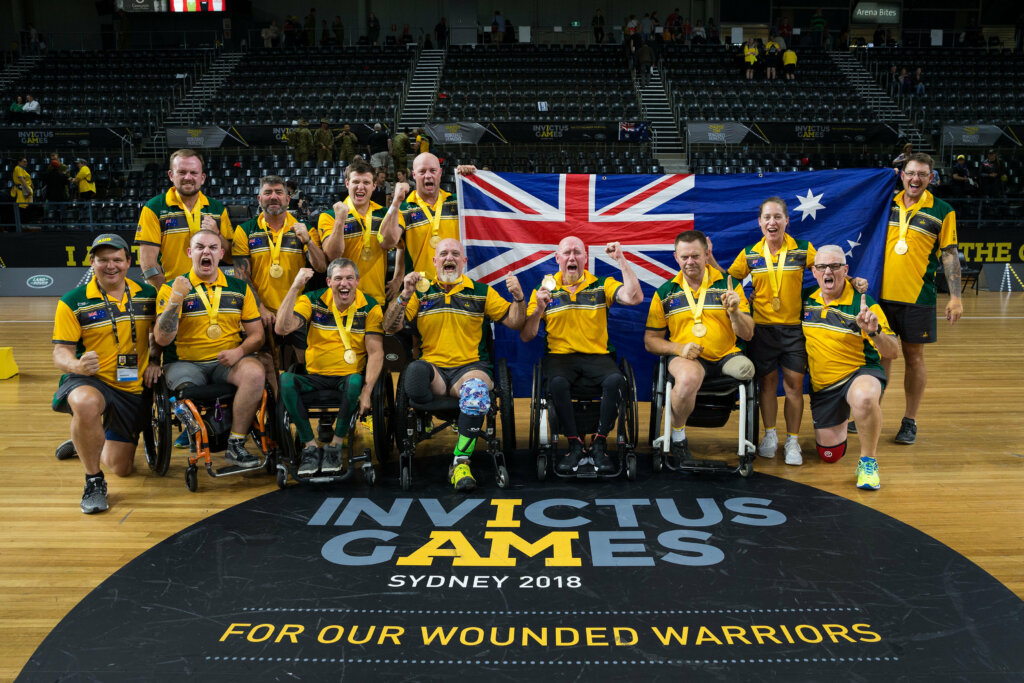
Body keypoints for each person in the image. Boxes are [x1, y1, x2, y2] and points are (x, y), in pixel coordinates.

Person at [383, 238, 525, 491]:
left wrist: (518, 298)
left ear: (464, 261)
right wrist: (405, 293)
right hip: (434, 372)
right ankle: (438, 418)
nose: (450, 258)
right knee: (413, 372)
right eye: (444, 254)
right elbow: (389, 327)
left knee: (476, 393)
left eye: (455, 254)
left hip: (469, 369)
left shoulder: (482, 292)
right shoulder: (420, 293)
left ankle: (460, 461)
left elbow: (515, 322)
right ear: (435, 261)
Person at [51, 234, 159, 513]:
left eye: (116, 260)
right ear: (92, 262)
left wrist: (156, 360)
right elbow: (60, 352)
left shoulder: (148, 295)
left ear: (128, 262)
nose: (110, 266)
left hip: (131, 387)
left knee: (122, 469)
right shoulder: (73, 301)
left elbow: (161, 335)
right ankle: (93, 480)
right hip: (91, 379)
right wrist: (77, 366)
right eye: (103, 260)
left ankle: (84, 439)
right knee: (85, 403)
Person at [520, 237, 643, 473]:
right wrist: (538, 309)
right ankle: (574, 444)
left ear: (585, 258)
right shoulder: (544, 291)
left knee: (617, 381)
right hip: (560, 358)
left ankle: (599, 443)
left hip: (597, 357)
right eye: (566, 253)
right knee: (555, 383)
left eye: (578, 253)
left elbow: (634, 297)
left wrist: (621, 259)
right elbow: (526, 335)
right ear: (558, 259)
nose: (572, 257)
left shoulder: (601, 285)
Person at [153, 228, 266, 468]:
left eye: (213, 248)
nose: (207, 252)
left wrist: (239, 352)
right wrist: (175, 300)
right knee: (188, 394)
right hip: (185, 363)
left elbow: (257, 336)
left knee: (255, 373)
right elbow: (162, 339)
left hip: (227, 362)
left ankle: (235, 444)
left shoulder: (239, 288)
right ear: (189, 252)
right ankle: (202, 434)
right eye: (200, 247)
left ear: (221, 253)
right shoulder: (171, 287)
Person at [644, 231, 755, 467]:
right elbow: (651, 341)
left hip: (726, 356)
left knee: (748, 370)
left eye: (695, 255)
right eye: (684, 257)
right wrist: (679, 348)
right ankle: (678, 436)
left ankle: (745, 447)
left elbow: (748, 334)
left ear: (706, 255)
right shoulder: (665, 293)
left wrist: (734, 312)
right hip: (687, 357)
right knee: (687, 378)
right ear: (676, 257)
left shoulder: (730, 284)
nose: (690, 262)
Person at [876, 152, 961, 445]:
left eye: (922, 174)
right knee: (881, 355)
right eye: (910, 173)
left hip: (918, 296)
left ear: (931, 178)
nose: (915, 179)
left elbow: (950, 255)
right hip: (881, 297)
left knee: (914, 358)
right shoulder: (886, 202)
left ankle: (910, 421)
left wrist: (956, 297)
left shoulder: (942, 210)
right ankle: (871, 411)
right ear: (902, 174)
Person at [802, 245, 898, 490]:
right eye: (822, 266)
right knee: (830, 456)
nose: (828, 271)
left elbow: (893, 352)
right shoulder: (806, 300)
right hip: (824, 386)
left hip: (859, 373)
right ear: (814, 271)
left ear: (845, 270)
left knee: (865, 398)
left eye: (835, 266)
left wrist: (874, 331)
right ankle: (844, 416)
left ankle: (868, 462)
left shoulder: (864, 304)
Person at [275, 261, 383, 476]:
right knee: (286, 379)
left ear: (357, 281)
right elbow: (282, 328)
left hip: (348, 378)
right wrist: (295, 287)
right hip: (314, 376)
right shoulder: (311, 300)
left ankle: (335, 444)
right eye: (338, 278)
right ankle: (310, 446)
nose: (344, 284)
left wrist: (368, 391)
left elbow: (376, 352)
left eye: (349, 278)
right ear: (329, 282)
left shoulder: (370, 306)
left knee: (355, 382)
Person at [231, 174, 325, 341]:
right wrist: (260, 308)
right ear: (259, 199)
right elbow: (242, 277)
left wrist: (308, 241)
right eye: (268, 193)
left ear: (288, 199)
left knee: (303, 360)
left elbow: (321, 267)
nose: (273, 197)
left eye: (278, 192)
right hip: (261, 310)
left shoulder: (306, 229)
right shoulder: (245, 231)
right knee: (264, 362)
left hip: (297, 309)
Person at [136, 149, 234, 288]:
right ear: (171, 175)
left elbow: (230, 258)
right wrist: (169, 293)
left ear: (203, 177)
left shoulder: (216, 209)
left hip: (211, 294)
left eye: (194, 173)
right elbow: (147, 263)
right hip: (173, 291)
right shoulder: (154, 208)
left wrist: (217, 234)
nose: (188, 177)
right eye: (182, 172)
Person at [382, 153, 477, 281]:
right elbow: (386, 242)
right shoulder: (404, 209)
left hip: (456, 286)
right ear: (414, 175)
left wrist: (473, 180)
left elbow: (487, 210)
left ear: (440, 173)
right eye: (422, 171)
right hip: (420, 291)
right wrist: (396, 202)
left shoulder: (458, 202)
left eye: (433, 170)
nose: (428, 175)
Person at [319, 160, 401, 303]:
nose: (360, 187)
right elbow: (333, 255)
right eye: (356, 181)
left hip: (376, 299)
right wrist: (340, 221)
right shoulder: (329, 216)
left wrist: (398, 278)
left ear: (374, 186)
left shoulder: (384, 214)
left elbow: (400, 245)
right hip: (342, 299)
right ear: (347, 184)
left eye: (366, 182)